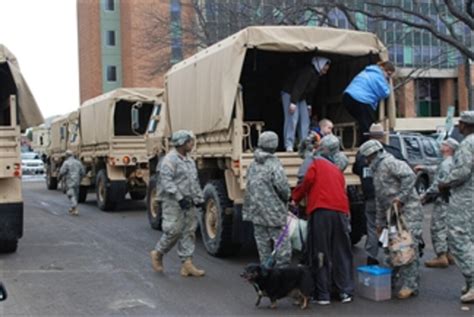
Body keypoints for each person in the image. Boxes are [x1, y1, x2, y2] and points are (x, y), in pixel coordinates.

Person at [292, 135, 354, 305]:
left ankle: (323, 293)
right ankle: (344, 292)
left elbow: (306, 181)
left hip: (321, 212)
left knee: (320, 252)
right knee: (341, 252)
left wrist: (295, 199)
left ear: (321, 148)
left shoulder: (315, 163)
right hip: (340, 212)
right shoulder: (337, 168)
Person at [359, 140, 423, 299]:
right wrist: (380, 223)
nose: (366, 161)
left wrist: (401, 198)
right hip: (391, 213)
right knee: (392, 249)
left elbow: (410, 176)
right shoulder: (376, 170)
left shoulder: (390, 163)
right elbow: (380, 199)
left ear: (374, 154)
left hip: (408, 211)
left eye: (367, 157)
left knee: (407, 246)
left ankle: (410, 285)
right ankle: (391, 280)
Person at [150, 130, 205, 277]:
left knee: (189, 231)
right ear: (181, 143)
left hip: (189, 201)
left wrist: (199, 199)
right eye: (190, 142)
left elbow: (194, 181)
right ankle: (158, 253)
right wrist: (179, 197)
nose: (192, 144)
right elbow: (166, 181)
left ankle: (187, 264)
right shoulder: (169, 160)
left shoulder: (189, 160)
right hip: (173, 201)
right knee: (173, 231)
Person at [352, 123, 404, 265]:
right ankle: (394, 258)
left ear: (369, 137)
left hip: (370, 198)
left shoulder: (361, 154)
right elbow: (405, 171)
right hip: (391, 198)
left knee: (372, 227)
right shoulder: (393, 152)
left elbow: (356, 170)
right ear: (383, 136)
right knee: (393, 228)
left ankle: (372, 257)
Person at [438, 111, 474, 303]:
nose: (458, 125)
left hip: (465, 198)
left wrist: (444, 182)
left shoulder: (467, 144)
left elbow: (462, 171)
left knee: (459, 240)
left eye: (460, 122)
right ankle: (470, 282)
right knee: (471, 240)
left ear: (465, 125)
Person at [242, 131, 291, 267]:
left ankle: (265, 270)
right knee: (281, 243)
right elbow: (283, 188)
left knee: (262, 242)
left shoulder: (252, 164)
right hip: (274, 212)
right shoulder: (274, 165)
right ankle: (281, 272)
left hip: (256, 210)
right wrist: (288, 198)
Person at [415, 138, 459, 268]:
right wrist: (424, 168)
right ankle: (450, 254)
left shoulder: (446, 164)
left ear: (448, 148)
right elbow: (437, 169)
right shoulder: (451, 162)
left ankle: (441, 256)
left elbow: (438, 184)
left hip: (443, 200)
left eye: (444, 144)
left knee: (438, 228)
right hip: (452, 200)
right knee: (448, 228)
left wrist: (424, 196)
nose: (441, 145)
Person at [281, 56, 331, 152]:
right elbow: (298, 86)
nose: (325, 72)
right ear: (320, 65)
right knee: (292, 118)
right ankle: (289, 144)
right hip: (290, 93)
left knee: (305, 120)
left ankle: (304, 144)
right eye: (324, 69)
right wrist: (293, 102)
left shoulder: (316, 75)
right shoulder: (308, 71)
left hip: (301, 97)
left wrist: (309, 105)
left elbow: (310, 91)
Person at [343, 61, 395, 143]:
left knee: (363, 121)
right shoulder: (378, 76)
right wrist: (388, 84)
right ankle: (367, 144)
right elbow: (385, 92)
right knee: (369, 126)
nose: (387, 78)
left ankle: (362, 141)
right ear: (383, 69)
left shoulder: (367, 71)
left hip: (348, 96)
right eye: (388, 75)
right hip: (361, 99)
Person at [59, 150, 85, 216]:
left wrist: (59, 177)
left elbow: (62, 172)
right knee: (76, 195)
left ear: (67, 155)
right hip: (77, 180)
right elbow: (83, 172)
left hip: (70, 180)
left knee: (70, 194)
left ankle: (74, 208)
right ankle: (73, 208)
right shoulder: (78, 162)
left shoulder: (66, 163)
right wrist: (80, 178)